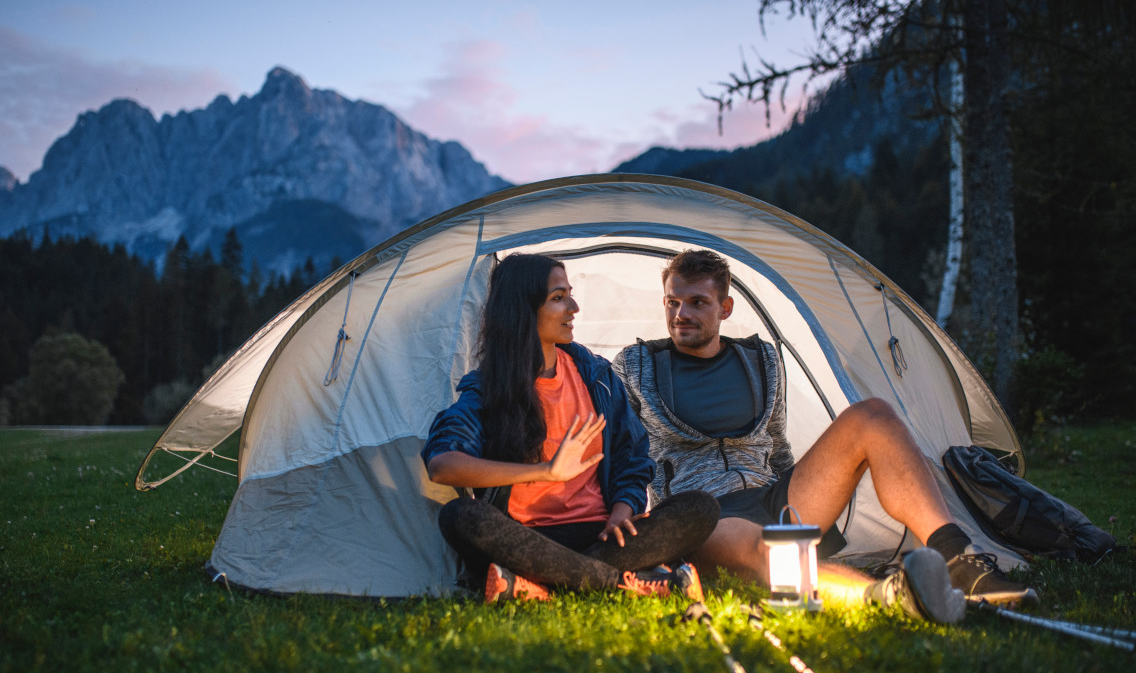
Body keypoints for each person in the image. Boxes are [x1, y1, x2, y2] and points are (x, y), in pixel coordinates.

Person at [612, 249, 1037, 623]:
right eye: (672, 302)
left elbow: (777, 447)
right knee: (774, 550)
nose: (680, 314)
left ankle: (959, 560)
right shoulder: (636, 366)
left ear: (725, 308)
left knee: (873, 414)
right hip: (704, 513)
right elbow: (624, 454)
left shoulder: (762, 360)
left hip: (772, 493)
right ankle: (889, 597)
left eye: (696, 303)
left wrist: (802, 495)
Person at [423, 253, 719, 603]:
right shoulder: (489, 388)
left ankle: (534, 585)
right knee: (460, 515)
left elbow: (632, 459)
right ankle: (625, 584)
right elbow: (442, 465)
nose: (574, 307)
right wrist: (546, 471)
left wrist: (622, 512)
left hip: (601, 536)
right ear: (524, 309)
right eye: (558, 298)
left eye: (569, 294)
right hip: (524, 538)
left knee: (700, 507)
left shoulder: (597, 377)